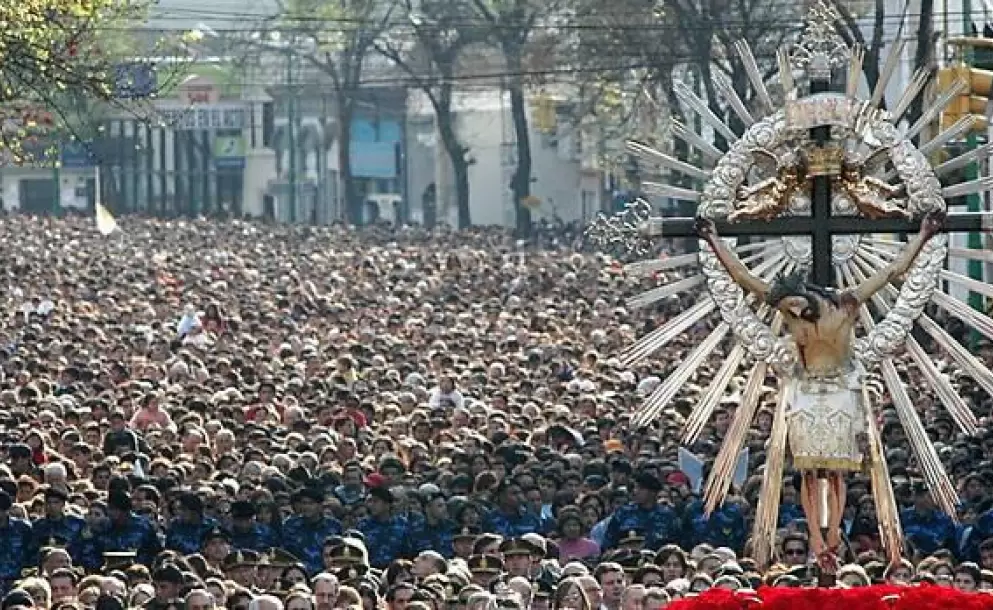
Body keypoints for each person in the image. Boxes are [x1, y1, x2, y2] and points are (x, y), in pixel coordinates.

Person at [694, 211, 945, 564]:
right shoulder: (789, 311)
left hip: (841, 390)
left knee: (836, 471)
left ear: (807, 294)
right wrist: (714, 241)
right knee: (809, 473)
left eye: (795, 303)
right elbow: (744, 278)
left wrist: (922, 235)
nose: (792, 311)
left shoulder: (847, 303)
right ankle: (816, 539)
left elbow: (891, 272)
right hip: (807, 392)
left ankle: (832, 535)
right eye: (786, 308)